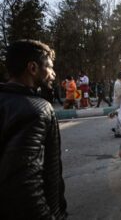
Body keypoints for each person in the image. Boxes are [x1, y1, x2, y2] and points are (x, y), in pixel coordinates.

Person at [0, 40, 67, 219]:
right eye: (50, 67)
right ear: (32, 68)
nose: (53, 74)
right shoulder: (37, 110)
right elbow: (24, 182)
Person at [112, 71, 121, 138]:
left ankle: (116, 129)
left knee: (120, 117)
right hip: (118, 103)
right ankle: (117, 132)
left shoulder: (119, 83)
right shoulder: (118, 83)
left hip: (118, 102)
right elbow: (120, 94)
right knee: (120, 118)